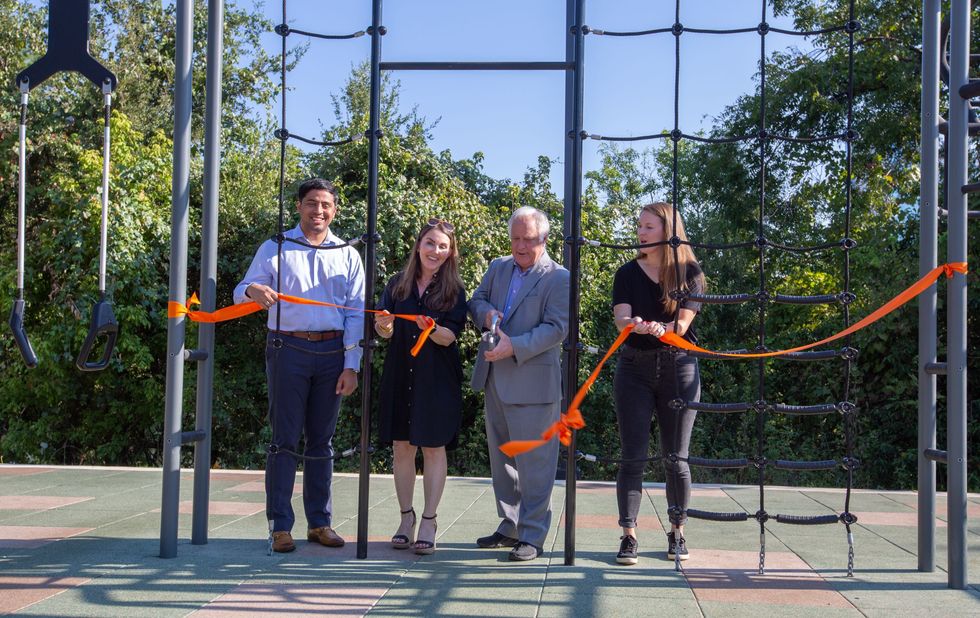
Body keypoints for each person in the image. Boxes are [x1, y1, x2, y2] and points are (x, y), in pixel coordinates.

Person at [233, 177, 364, 553]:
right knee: (284, 440)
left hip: (333, 353)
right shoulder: (276, 246)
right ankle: (280, 526)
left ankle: (320, 523)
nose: (318, 211)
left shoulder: (347, 253)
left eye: (325, 204)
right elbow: (240, 291)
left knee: (322, 441)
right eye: (311, 203)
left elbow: (356, 313)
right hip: (286, 348)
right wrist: (253, 290)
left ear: (334, 210)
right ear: (298, 206)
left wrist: (351, 365)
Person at [469, 206, 570, 562]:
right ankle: (510, 525)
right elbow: (476, 300)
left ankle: (532, 535)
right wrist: (485, 314)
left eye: (528, 239)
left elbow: (557, 328)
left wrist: (515, 346)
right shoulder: (498, 267)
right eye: (515, 238)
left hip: (534, 384)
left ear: (544, 239)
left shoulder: (559, 277)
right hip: (495, 377)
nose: (521, 246)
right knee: (503, 461)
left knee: (535, 464)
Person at [611, 201, 704, 565]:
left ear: (668, 231)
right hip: (633, 369)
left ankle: (677, 532)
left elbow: (681, 325)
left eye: (648, 227)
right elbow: (621, 318)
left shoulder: (690, 273)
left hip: (679, 369)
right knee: (632, 455)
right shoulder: (626, 273)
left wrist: (660, 328)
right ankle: (628, 535)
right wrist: (634, 325)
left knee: (675, 457)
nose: (641, 232)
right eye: (640, 226)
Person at [375, 218, 467, 556]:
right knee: (401, 447)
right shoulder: (397, 284)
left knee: (432, 448)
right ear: (418, 246)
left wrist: (431, 328)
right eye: (430, 243)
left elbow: (449, 337)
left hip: (437, 380)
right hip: (401, 374)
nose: (435, 251)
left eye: (443, 246)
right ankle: (405, 519)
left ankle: (429, 521)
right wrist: (384, 324)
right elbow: (384, 332)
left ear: (450, 253)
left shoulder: (454, 291)